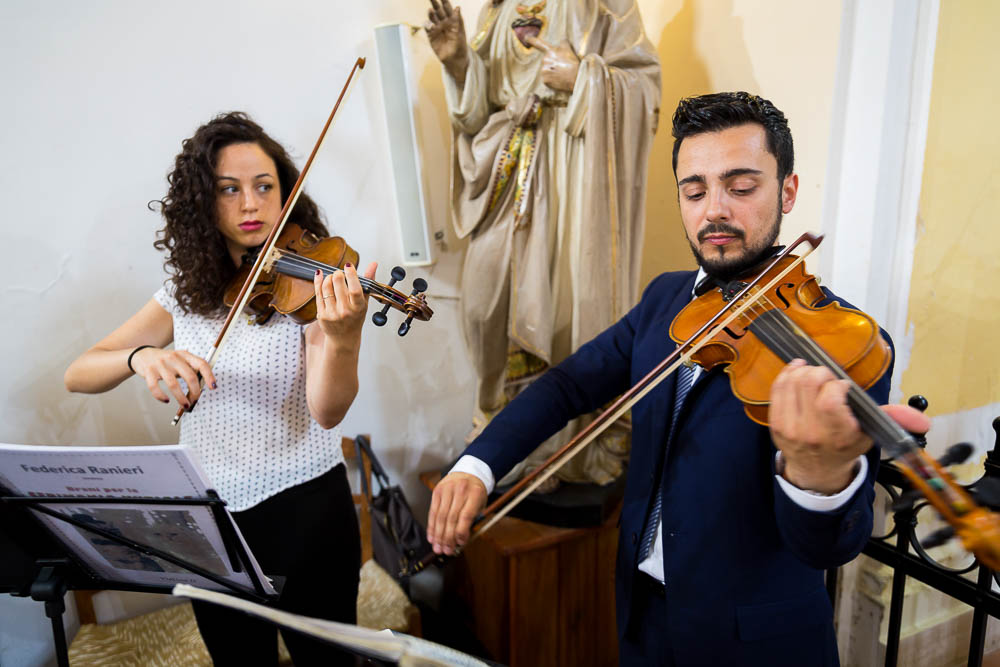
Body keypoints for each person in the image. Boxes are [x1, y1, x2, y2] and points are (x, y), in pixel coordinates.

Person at [426, 92, 931, 666]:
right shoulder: (664, 298)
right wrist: (478, 464)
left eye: (741, 187)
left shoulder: (846, 345)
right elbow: (569, 384)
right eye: (695, 191)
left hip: (756, 647)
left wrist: (817, 477)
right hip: (643, 621)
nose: (714, 210)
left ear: (787, 191)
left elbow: (831, 546)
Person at [64, 112, 373, 666]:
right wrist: (143, 357)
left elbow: (327, 412)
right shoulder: (184, 295)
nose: (250, 205)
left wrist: (342, 338)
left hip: (307, 510)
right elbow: (79, 372)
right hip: (214, 524)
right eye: (229, 190)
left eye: (264, 187)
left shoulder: (311, 287)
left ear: (285, 193)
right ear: (204, 201)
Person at [424, 0, 661, 488]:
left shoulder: (606, 6)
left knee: (562, 313)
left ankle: (558, 449)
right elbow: (476, 114)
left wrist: (584, 79)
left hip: (574, 173)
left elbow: (647, 92)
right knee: (483, 307)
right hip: (507, 170)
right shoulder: (499, 10)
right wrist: (458, 62)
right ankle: (497, 428)